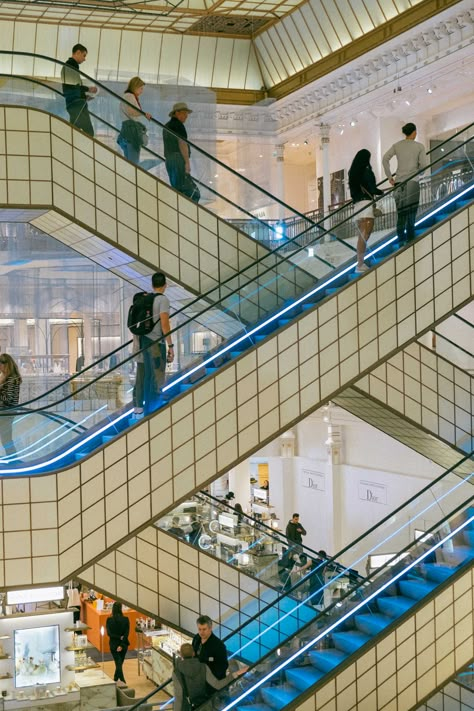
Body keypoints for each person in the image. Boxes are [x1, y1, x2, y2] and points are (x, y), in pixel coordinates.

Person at [382, 122, 428, 243]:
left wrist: (389, 177)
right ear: (414, 132)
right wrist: (420, 173)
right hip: (412, 182)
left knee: (401, 215)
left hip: (398, 184)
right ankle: (411, 240)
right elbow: (424, 165)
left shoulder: (397, 145)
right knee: (411, 214)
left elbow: (385, 159)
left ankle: (401, 241)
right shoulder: (419, 147)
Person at [139, 272, 174, 415]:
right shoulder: (163, 300)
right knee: (158, 375)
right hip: (155, 342)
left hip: (145, 340)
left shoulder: (148, 299)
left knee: (148, 376)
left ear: (152, 285)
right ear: (165, 285)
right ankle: (155, 410)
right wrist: (170, 346)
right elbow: (165, 324)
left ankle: (148, 409)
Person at [173, 643, 245, 711]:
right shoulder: (203, 666)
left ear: (181, 655)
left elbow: (179, 696)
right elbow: (217, 685)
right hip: (204, 705)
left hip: (187, 707)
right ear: (193, 653)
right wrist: (235, 674)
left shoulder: (176, 672)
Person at [348, 149, 384, 273]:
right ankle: (360, 264)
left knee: (362, 236)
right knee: (365, 235)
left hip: (357, 206)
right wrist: (381, 191)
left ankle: (360, 263)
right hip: (366, 204)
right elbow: (372, 188)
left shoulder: (352, 172)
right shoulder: (366, 170)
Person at [163, 102, 199, 202]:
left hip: (170, 161)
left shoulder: (167, 126)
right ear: (177, 113)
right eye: (184, 113)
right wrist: (187, 163)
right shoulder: (178, 125)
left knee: (178, 189)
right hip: (178, 159)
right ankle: (188, 214)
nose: (186, 116)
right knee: (194, 193)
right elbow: (182, 143)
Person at [61, 44, 97, 136]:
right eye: (84, 55)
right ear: (77, 52)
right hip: (76, 104)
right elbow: (74, 86)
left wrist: (85, 96)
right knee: (89, 132)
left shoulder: (68, 66)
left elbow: (72, 87)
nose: (84, 59)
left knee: (74, 132)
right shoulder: (71, 65)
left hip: (73, 103)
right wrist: (88, 89)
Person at [118, 77, 152, 166]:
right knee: (134, 162)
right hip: (132, 129)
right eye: (141, 88)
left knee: (129, 161)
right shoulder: (130, 96)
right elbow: (130, 111)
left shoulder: (126, 96)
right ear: (135, 86)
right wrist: (143, 114)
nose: (142, 91)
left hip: (126, 129)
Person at [192, 615, 228, 685]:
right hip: (198, 679)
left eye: (204, 629)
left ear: (210, 628)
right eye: (199, 629)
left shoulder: (219, 646)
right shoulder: (196, 638)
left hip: (212, 683)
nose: (201, 632)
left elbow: (223, 666)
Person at [0, 354, 22, 458]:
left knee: (6, 439)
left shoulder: (11, 379)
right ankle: (13, 459)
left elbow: (8, 399)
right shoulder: (7, 377)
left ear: (6, 365)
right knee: (6, 439)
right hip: (5, 412)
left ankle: (13, 459)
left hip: (6, 412)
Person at [106, 601, 130, 686]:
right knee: (119, 662)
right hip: (124, 645)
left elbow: (109, 634)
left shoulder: (109, 620)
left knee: (118, 662)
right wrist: (121, 644)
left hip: (113, 644)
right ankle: (120, 679)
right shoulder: (126, 620)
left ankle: (117, 679)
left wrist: (117, 638)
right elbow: (127, 634)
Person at [132, 334, 144, 415]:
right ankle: (139, 407)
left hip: (139, 353)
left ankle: (137, 406)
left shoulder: (137, 325)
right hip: (143, 355)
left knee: (139, 381)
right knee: (140, 381)